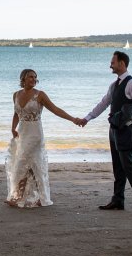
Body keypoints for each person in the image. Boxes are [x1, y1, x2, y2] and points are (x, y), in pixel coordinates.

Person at [78, 51, 132, 216]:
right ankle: (118, 200)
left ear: (122, 63)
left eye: (113, 62)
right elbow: (104, 103)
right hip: (114, 129)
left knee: (128, 167)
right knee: (117, 167)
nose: (110, 65)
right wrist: (87, 118)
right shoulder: (114, 85)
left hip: (126, 130)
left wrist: (127, 120)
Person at [6, 68, 84, 208]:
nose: (34, 79)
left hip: (35, 134)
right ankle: (41, 198)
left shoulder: (40, 95)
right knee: (33, 166)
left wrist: (73, 119)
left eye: (35, 77)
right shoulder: (16, 95)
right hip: (23, 133)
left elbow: (56, 110)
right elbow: (16, 114)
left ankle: (17, 197)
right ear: (23, 79)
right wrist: (13, 128)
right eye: (30, 77)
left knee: (21, 164)